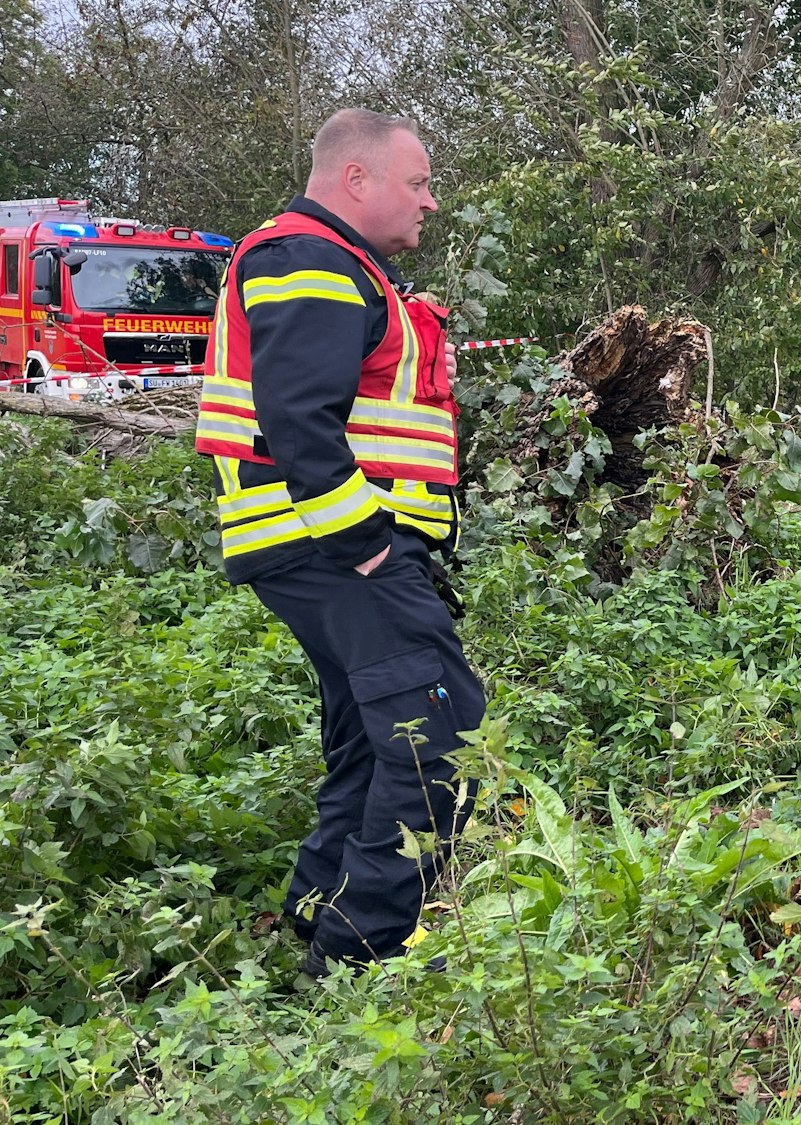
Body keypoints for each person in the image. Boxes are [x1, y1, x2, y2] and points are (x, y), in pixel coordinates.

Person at [193, 108, 482, 976]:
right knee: (442, 735)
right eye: (419, 182)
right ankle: (357, 957)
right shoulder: (310, 260)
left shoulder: (339, 268)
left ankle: (314, 919)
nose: (430, 202)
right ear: (357, 179)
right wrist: (370, 548)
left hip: (322, 547)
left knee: (372, 739)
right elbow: (299, 422)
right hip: (335, 548)